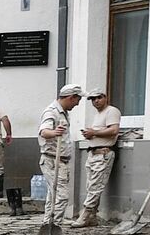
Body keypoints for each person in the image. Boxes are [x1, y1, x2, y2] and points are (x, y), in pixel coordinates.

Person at [73, 89, 121, 227]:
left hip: (104, 154)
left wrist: (94, 132)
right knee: (91, 186)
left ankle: (85, 214)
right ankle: (92, 216)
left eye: (98, 98)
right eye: (93, 99)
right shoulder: (98, 114)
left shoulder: (111, 111)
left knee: (95, 187)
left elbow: (113, 130)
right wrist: (90, 134)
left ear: (105, 97)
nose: (96, 101)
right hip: (93, 153)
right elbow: (100, 132)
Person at [38, 85, 83, 227]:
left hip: (60, 160)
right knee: (61, 196)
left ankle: (48, 227)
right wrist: (54, 132)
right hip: (52, 159)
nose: (78, 104)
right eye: (77, 99)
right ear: (71, 97)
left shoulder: (63, 112)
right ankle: (54, 227)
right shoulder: (51, 112)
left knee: (53, 196)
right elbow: (44, 132)